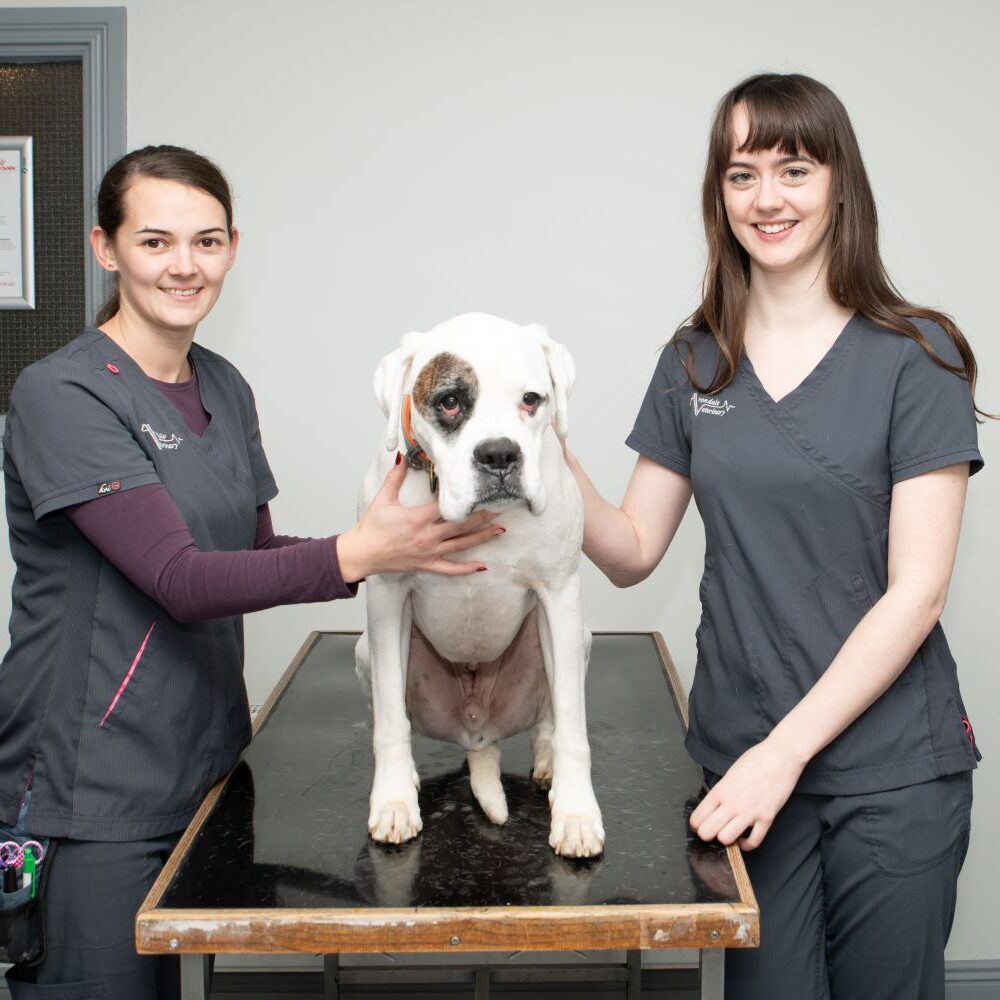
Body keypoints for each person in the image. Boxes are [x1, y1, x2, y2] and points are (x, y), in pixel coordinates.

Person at [0, 145, 503, 999]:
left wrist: (382, 546)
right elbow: (182, 579)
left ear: (233, 247)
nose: (184, 266)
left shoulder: (223, 387)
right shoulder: (62, 395)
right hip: (91, 795)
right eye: (155, 242)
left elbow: (253, 556)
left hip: (201, 772)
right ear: (105, 247)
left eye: (206, 241)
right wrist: (362, 554)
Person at [566, 73, 984, 999]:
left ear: (840, 184)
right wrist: (537, 450)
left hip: (887, 772)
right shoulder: (694, 359)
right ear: (718, 195)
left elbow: (917, 594)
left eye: (793, 168)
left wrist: (782, 756)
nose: (767, 198)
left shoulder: (917, 357)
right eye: (741, 174)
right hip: (744, 764)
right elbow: (634, 550)